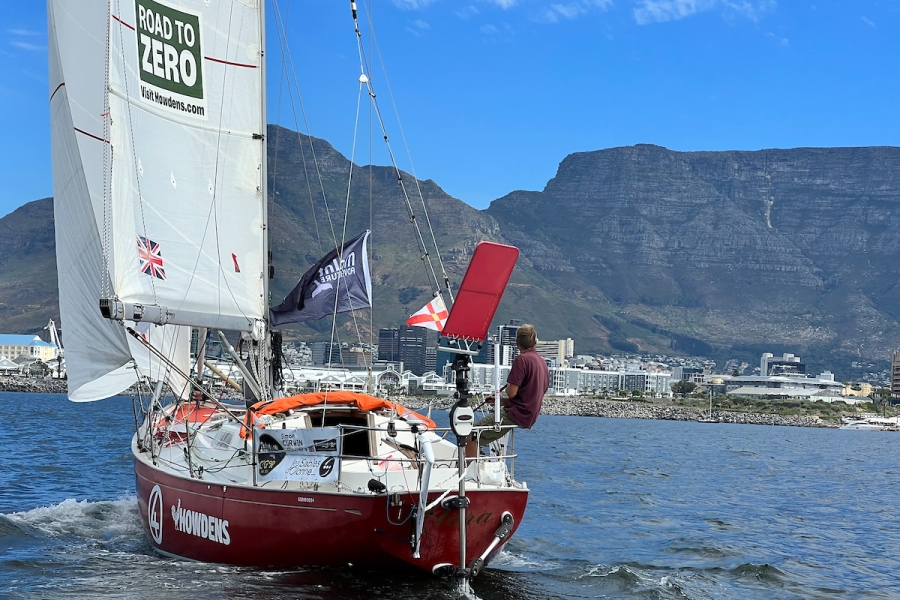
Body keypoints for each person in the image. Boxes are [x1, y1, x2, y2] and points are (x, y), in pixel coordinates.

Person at [466, 324, 550, 458]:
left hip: (516, 413)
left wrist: (509, 391)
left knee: (471, 434)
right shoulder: (542, 363)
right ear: (534, 341)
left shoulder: (522, 360)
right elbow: (530, 394)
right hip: (529, 415)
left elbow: (512, 392)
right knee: (479, 437)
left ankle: (465, 474)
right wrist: (501, 401)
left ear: (517, 342)